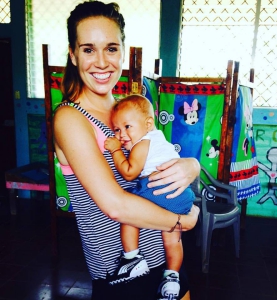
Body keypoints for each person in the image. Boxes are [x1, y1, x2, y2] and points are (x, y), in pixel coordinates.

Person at [53, 1, 200, 299]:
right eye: (88, 49)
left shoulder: (125, 110)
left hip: (166, 257)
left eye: (110, 48)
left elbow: (158, 157)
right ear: (72, 54)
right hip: (121, 272)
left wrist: (191, 166)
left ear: (122, 50)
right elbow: (116, 205)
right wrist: (183, 220)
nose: (102, 62)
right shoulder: (70, 118)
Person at [104, 94, 195, 298]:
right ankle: (172, 279)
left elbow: (129, 172)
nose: (121, 135)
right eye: (117, 129)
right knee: (172, 241)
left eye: (128, 127)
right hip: (180, 195)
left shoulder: (143, 143)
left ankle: (132, 259)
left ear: (148, 124)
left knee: (128, 214)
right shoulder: (159, 138)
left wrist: (116, 151)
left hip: (157, 188)